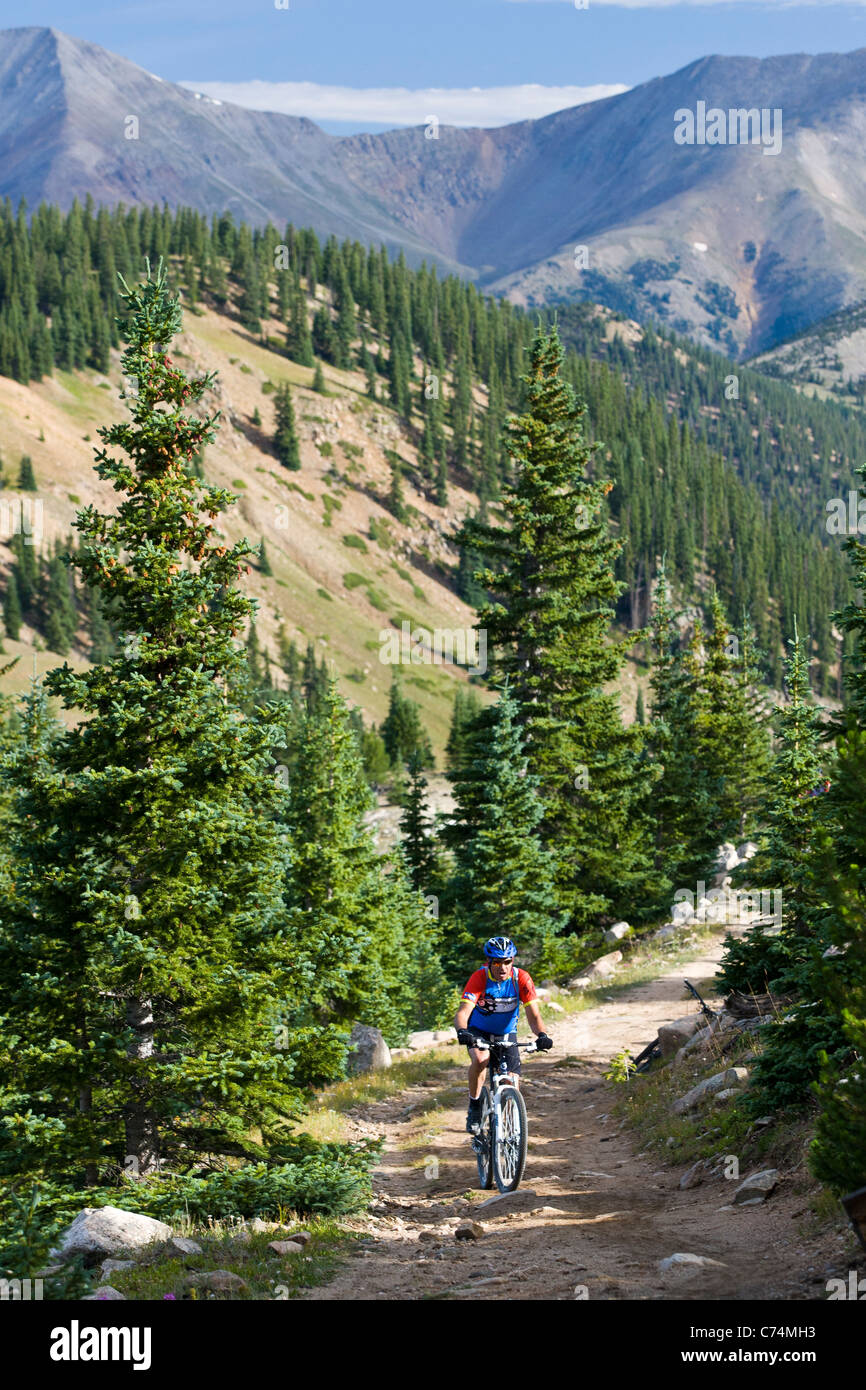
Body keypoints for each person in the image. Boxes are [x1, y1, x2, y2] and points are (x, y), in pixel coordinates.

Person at [454, 936, 552, 1132]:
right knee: (481, 1060)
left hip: (506, 1034)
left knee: (511, 1083)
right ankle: (474, 1106)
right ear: (489, 962)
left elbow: (534, 1015)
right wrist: (462, 1032)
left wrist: (542, 1035)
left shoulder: (521, 978)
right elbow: (463, 1012)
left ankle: (507, 1131)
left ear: (512, 961)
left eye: (507, 962)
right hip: (478, 1031)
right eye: (497, 962)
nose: (502, 968)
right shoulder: (480, 978)